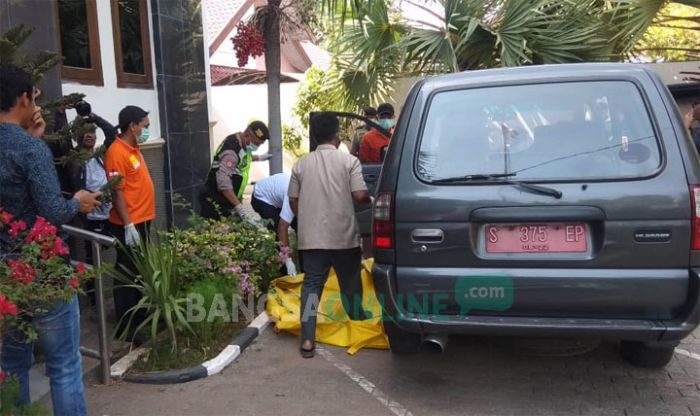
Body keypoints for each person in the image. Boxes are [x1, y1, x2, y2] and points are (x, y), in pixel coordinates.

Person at [0, 64, 101, 416]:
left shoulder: (27, 146)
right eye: (34, 96)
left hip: (6, 276)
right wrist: (80, 201)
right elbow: (53, 210)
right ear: (23, 98)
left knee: (12, 361)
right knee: (64, 364)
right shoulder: (29, 150)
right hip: (44, 271)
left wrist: (35, 138)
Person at [288, 112, 371, 358]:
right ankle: (358, 325)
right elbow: (359, 196)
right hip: (343, 236)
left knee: (311, 286)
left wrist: (305, 219)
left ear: (315, 136)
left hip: (311, 237)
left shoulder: (300, 164)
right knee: (350, 283)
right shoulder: (349, 162)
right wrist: (372, 200)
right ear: (336, 136)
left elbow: (293, 199)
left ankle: (307, 340)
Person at [104, 105, 156, 339]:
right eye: (144, 125)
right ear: (132, 126)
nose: (147, 129)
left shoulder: (133, 148)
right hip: (129, 223)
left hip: (142, 219)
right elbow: (117, 193)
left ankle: (141, 314)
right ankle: (126, 327)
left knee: (138, 270)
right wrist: (127, 225)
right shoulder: (117, 152)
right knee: (125, 272)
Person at [200, 121, 271, 221]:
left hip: (228, 202)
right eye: (256, 144)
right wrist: (239, 207)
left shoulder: (241, 143)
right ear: (246, 135)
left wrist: (259, 158)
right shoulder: (231, 152)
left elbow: (243, 158)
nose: (256, 147)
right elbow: (223, 182)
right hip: (216, 203)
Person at [250, 173, 299, 276]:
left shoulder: (311, 194)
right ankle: (284, 272)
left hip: (279, 193)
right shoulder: (292, 197)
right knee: (278, 231)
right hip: (262, 197)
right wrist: (288, 259)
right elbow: (282, 227)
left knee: (302, 228)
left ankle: (307, 270)